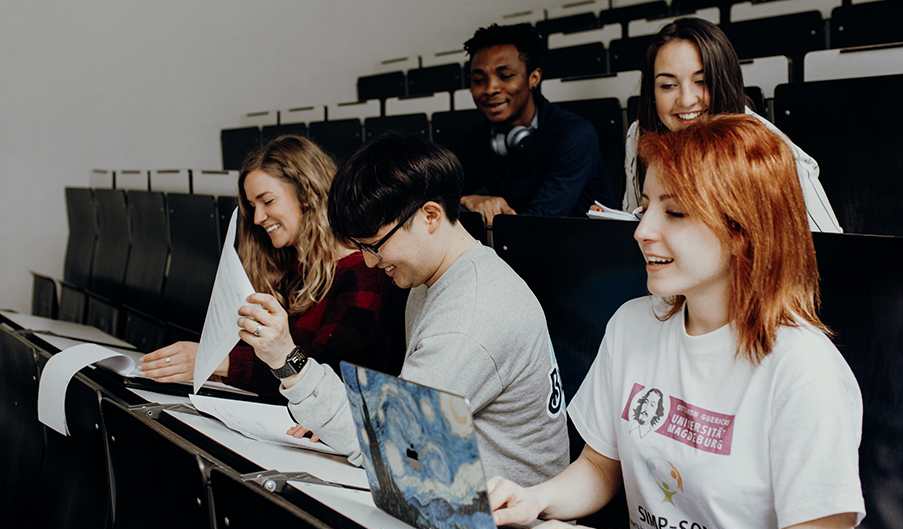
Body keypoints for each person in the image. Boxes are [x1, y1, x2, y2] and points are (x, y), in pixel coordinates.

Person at [489, 115, 865, 529]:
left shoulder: (804, 368)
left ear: (743, 232)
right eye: (644, 207)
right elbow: (599, 466)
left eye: (676, 212)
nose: (643, 230)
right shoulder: (632, 325)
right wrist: (536, 500)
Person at [237, 134, 570, 487]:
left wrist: (287, 361)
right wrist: (346, 415)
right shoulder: (440, 274)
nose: (369, 261)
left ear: (429, 216)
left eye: (376, 246)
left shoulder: (468, 318)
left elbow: (390, 448)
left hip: (512, 528)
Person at [138, 135, 395, 398]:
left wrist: (221, 362)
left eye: (268, 201)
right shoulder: (291, 268)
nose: (258, 218)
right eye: (252, 206)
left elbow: (322, 375)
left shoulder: (363, 274)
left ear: (307, 194)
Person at [616, 17, 841, 233]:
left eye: (702, 82)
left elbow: (828, 249)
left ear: (724, 81)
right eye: (667, 85)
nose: (686, 100)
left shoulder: (772, 151)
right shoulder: (639, 134)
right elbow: (634, 223)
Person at [456, 23, 616, 225]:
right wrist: (466, 200)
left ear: (534, 78)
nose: (490, 89)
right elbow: (436, 196)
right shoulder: (477, 139)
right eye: (479, 80)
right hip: (522, 248)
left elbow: (538, 222)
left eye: (505, 76)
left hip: (585, 249)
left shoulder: (575, 134)